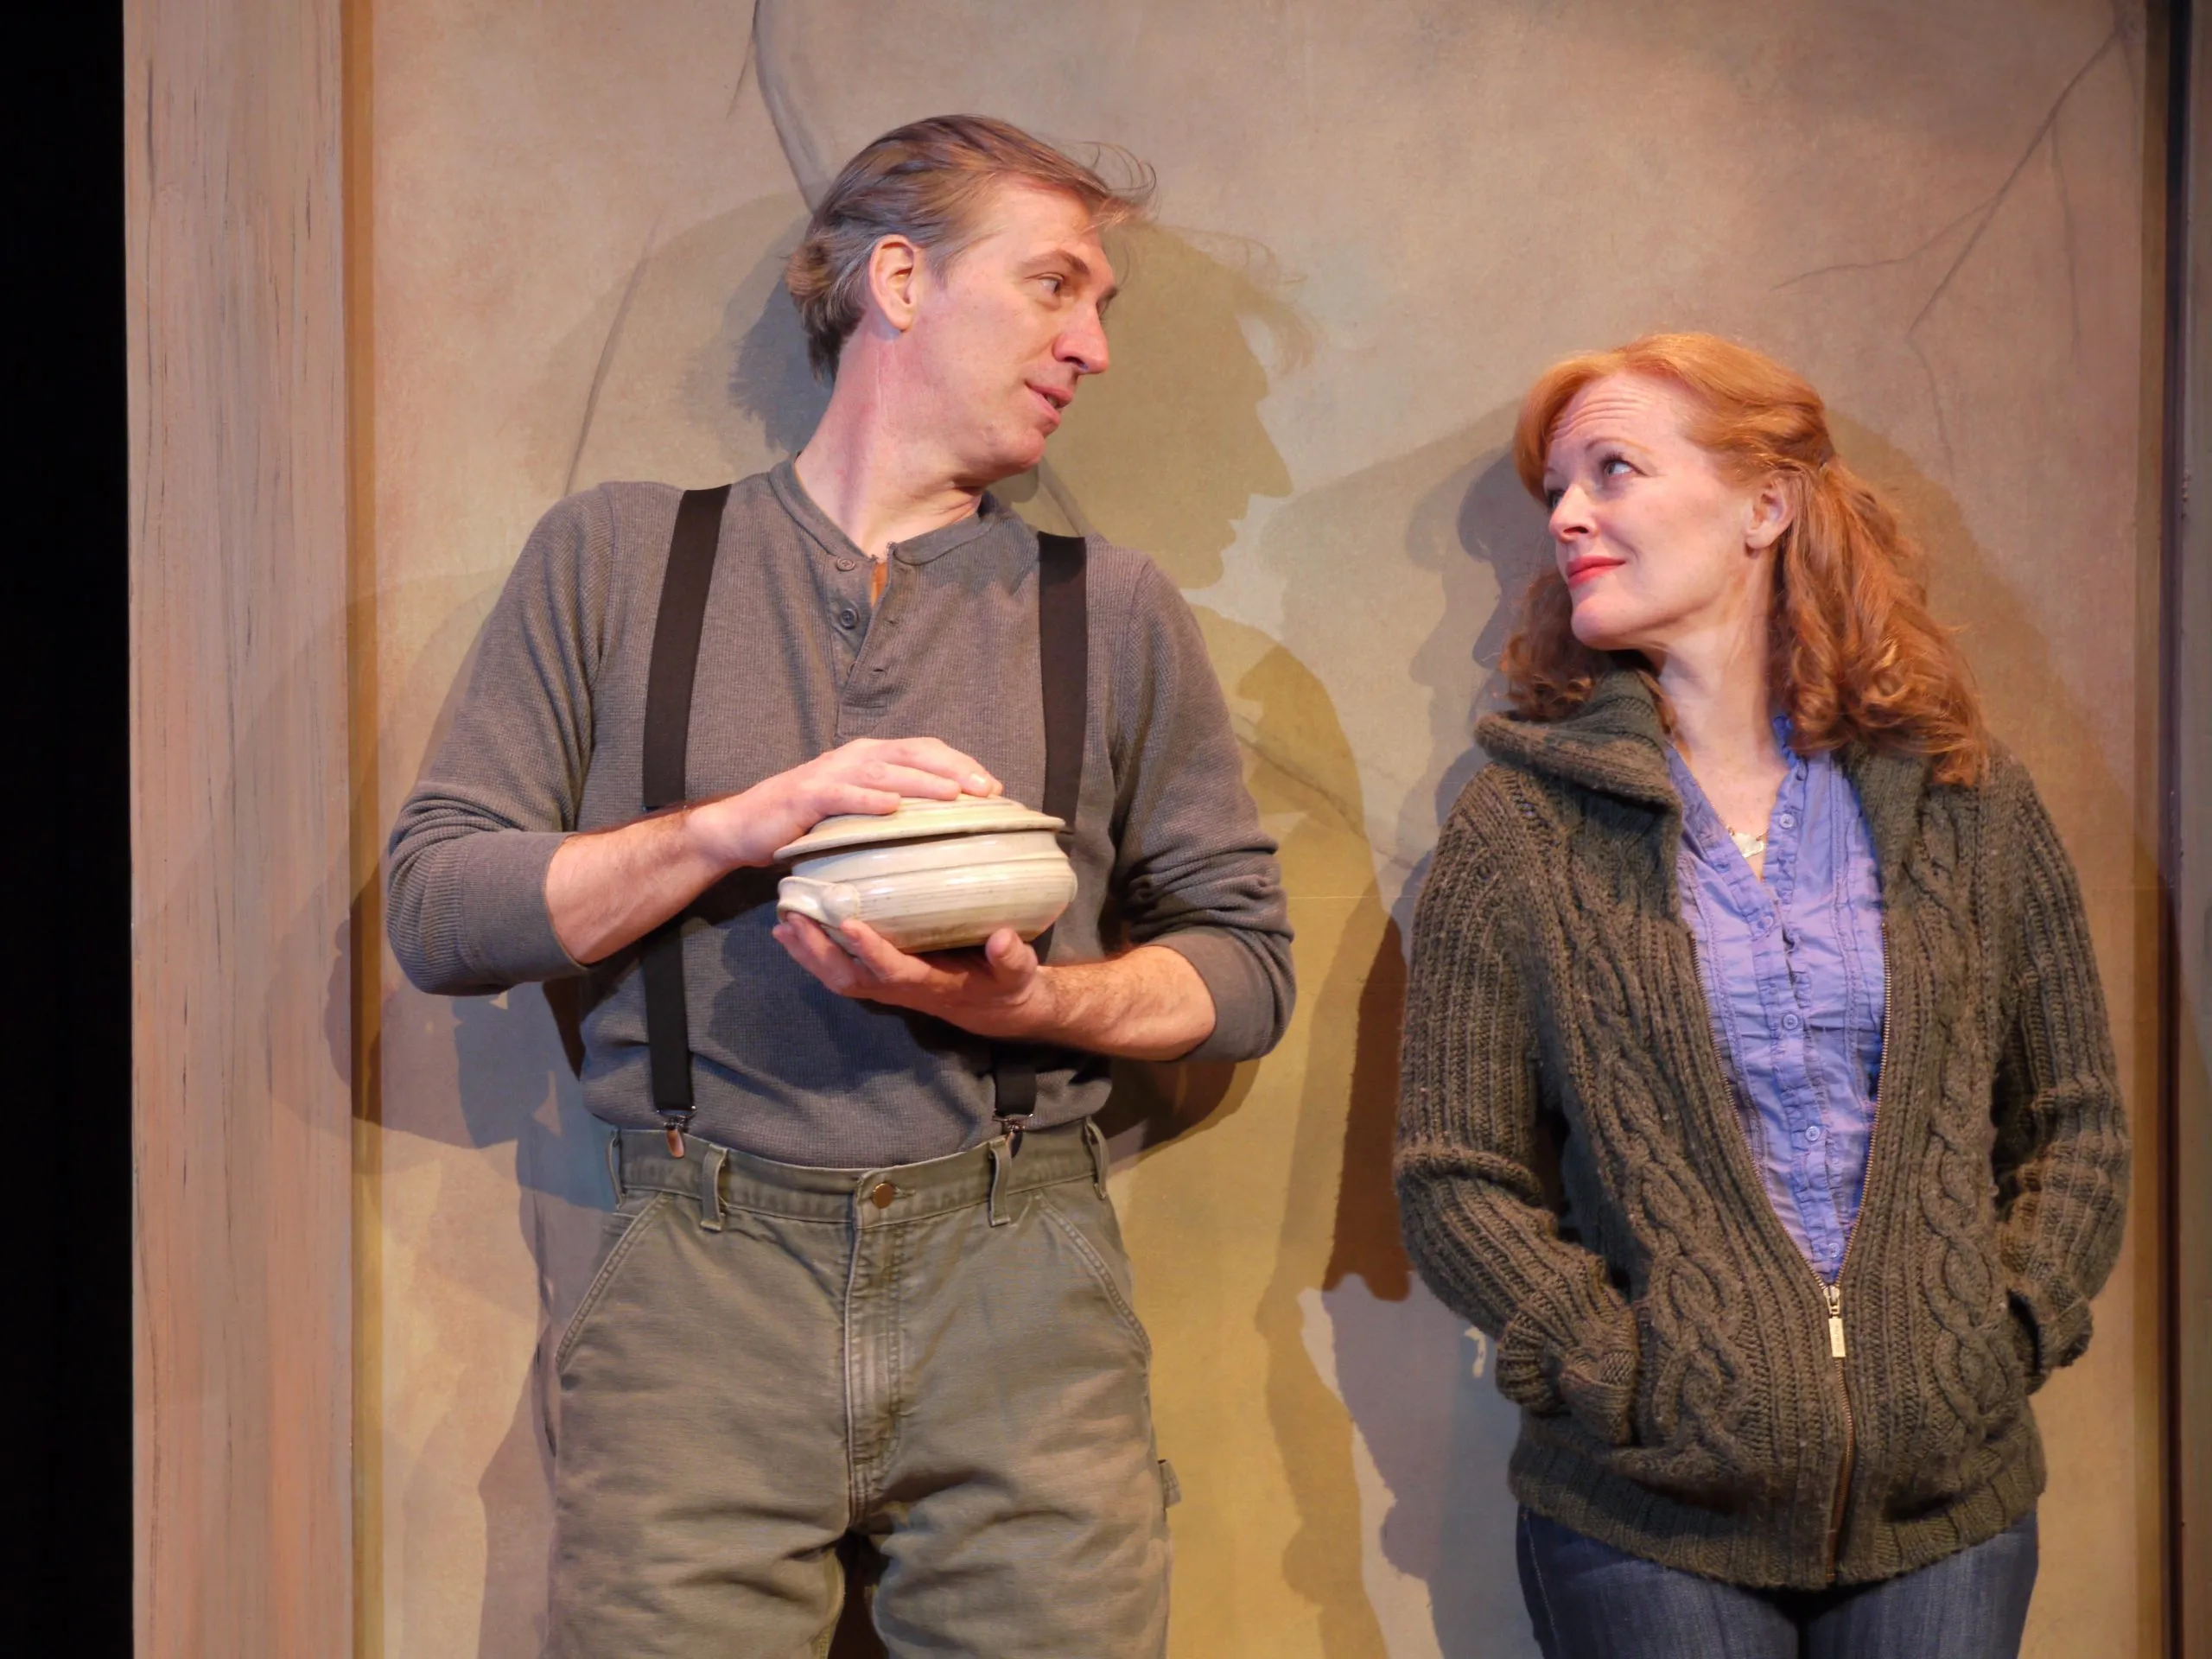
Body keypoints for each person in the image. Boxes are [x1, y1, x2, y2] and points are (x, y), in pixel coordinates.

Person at [387, 115, 1293, 1656]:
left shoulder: (1116, 610)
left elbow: (1248, 971)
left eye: (1105, 310)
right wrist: (737, 825)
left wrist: (1032, 998)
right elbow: (441, 909)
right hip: (696, 1278)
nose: (1093, 348)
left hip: (1020, 1275)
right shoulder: (617, 561)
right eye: (1057, 288)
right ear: (899, 280)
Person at [1395, 333, 2129, 1658]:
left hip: (1949, 1506)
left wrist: (2006, 1330)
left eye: (1612, 471)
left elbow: (2074, 1117)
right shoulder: (1519, 826)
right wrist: (1615, 1373)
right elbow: (1456, 1174)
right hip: (1647, 1517)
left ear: (1766, 505)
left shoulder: (1965, 794)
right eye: (1555, 487)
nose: (1566, 516)